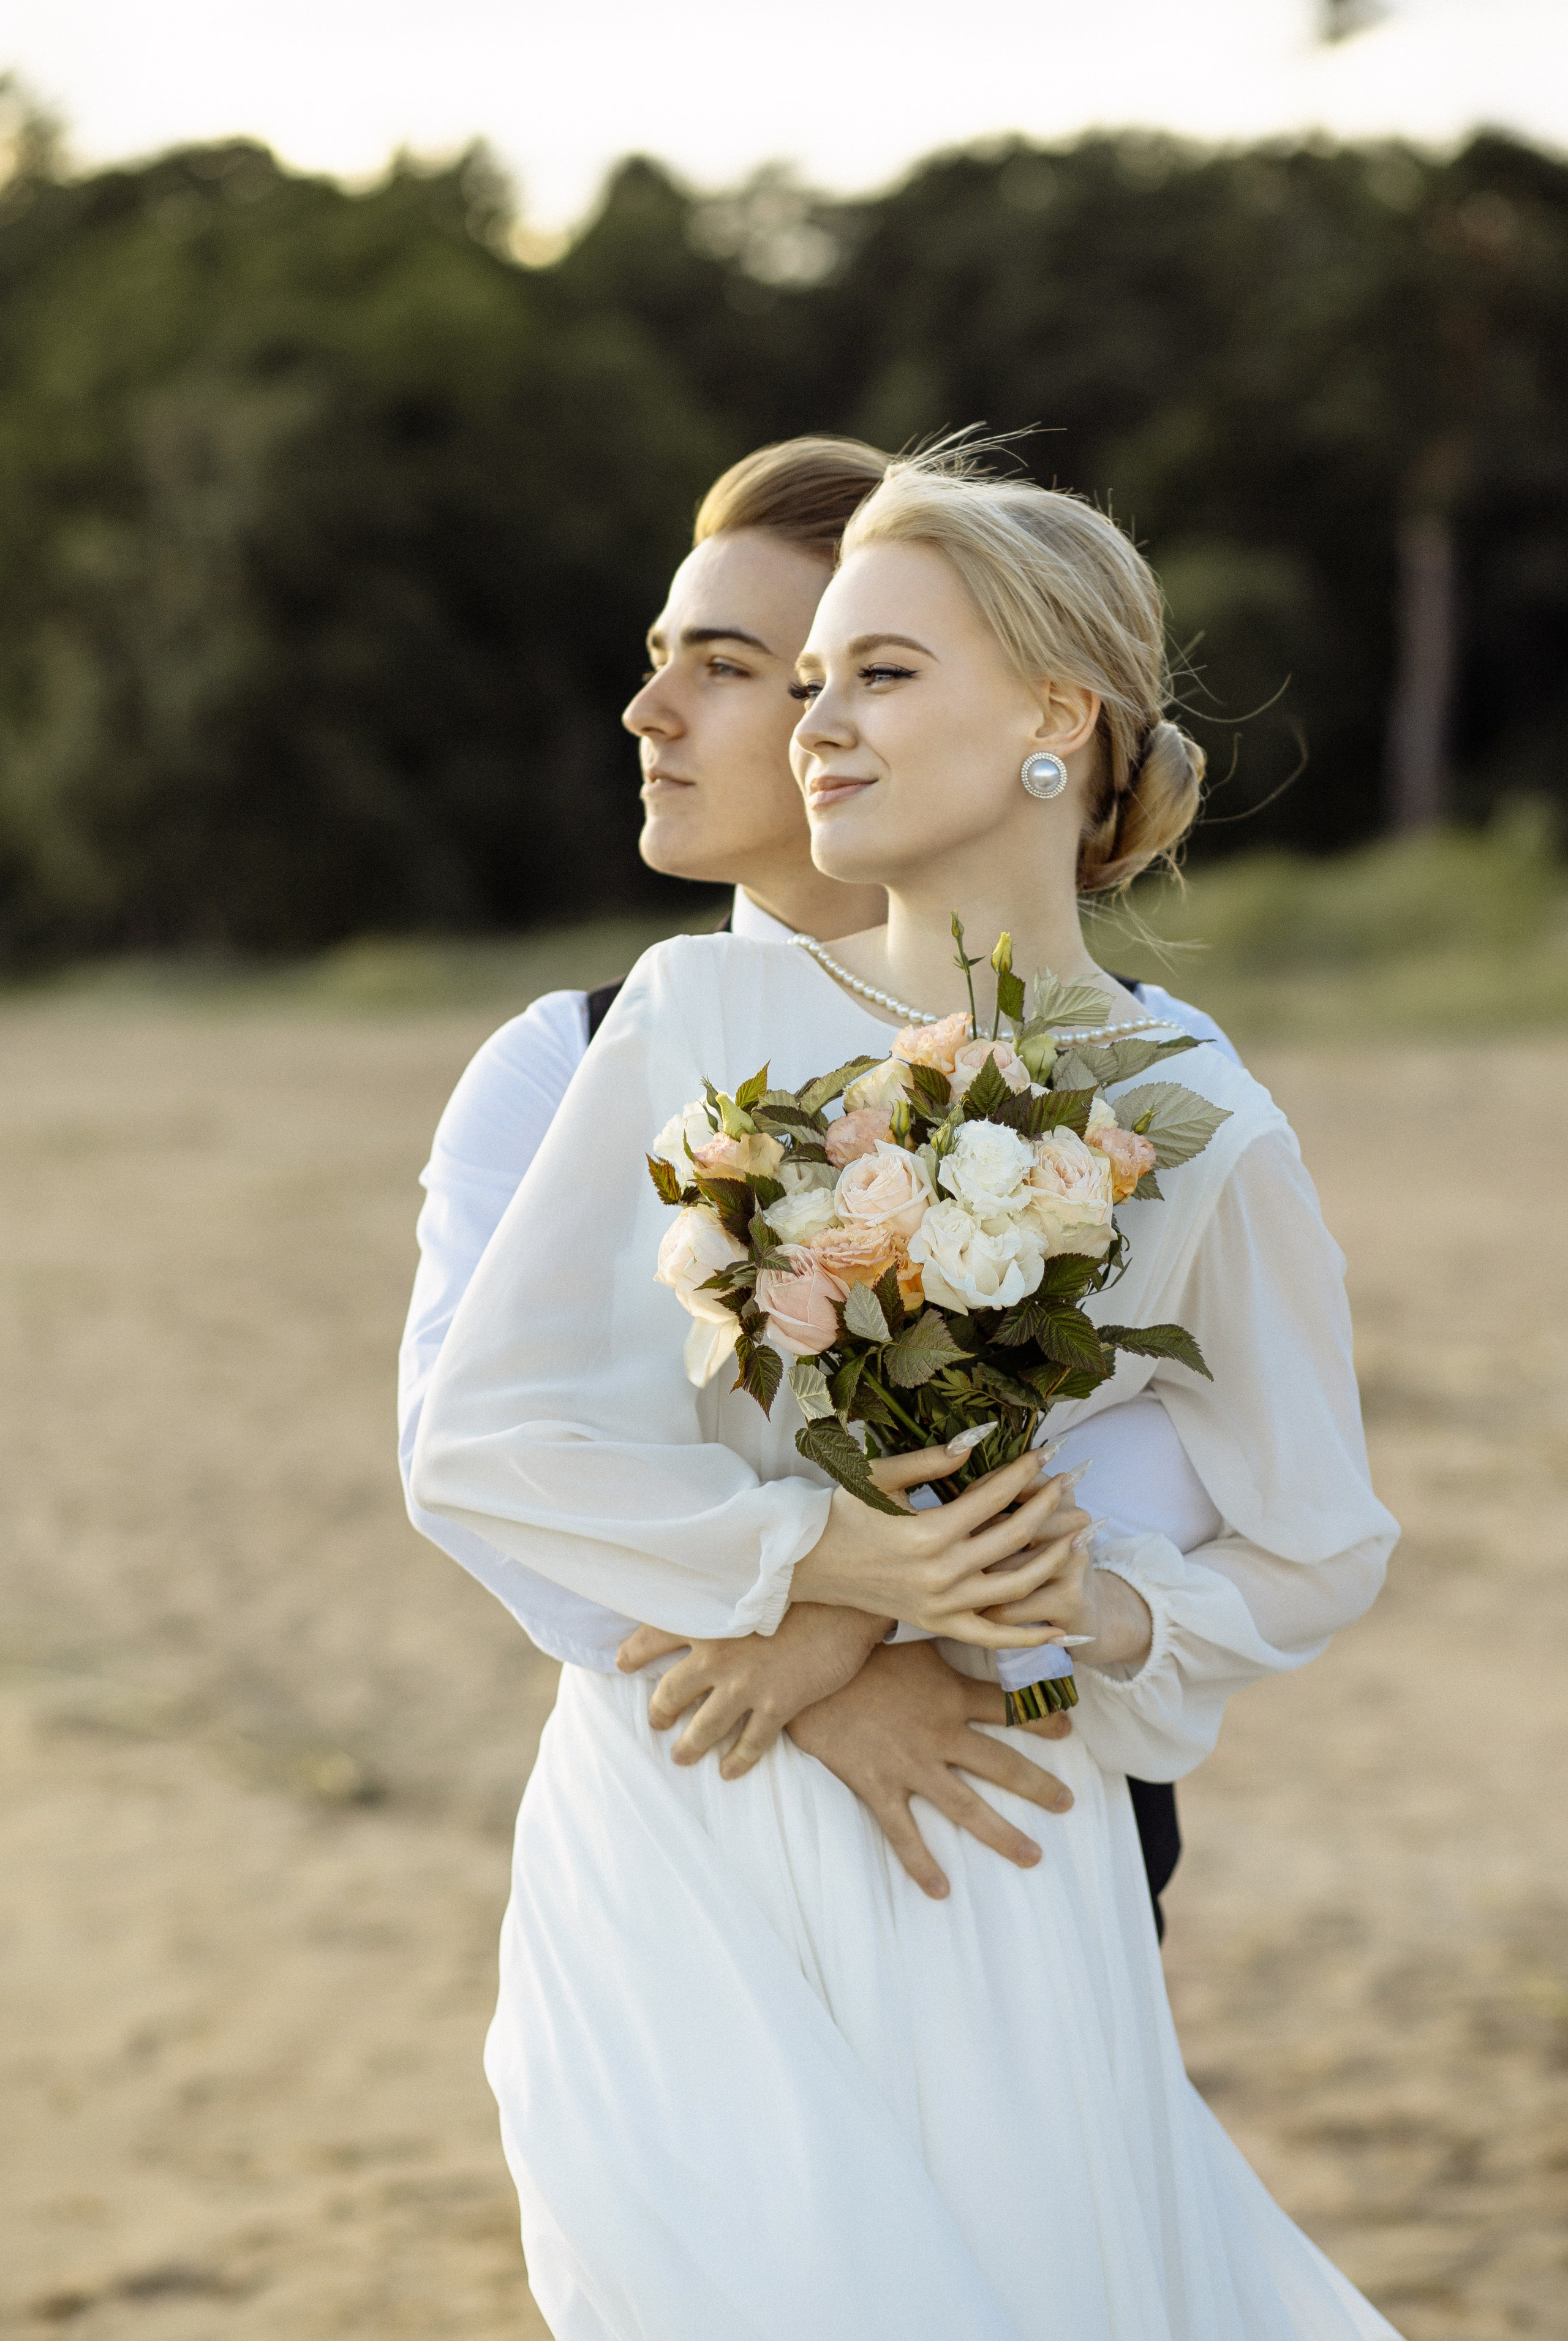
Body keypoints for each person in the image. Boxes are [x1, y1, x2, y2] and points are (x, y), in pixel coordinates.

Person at [412, 443, 1400, 2339]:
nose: (815, 731)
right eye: (813, 683)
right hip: (674, 1817)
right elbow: (480, 1444)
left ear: (1052, 715)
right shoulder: (687, 1026)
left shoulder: (1198, 1121)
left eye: (873, 677)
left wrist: (1082, 1611)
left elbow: (1319, 1538)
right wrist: (825, 1565)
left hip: (993, 1851)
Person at [399, 436, 1236, 1921]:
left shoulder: (1145, 1065)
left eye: (726, 666)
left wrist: (869, 1635)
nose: (646, 710)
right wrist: (810, 1669)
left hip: (1021, 1780)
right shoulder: (567, 1059)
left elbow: (1183, 1446)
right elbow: (479, 1461)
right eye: (664, 656)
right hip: (692, 1783)